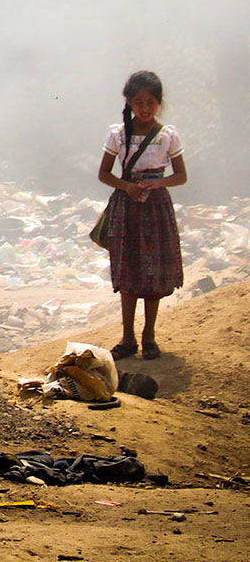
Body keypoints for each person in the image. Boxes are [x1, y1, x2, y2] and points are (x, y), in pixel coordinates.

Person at [96, 69, 187, 360]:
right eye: (139, 102)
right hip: (127, 207)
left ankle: (149, 337)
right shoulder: (118, 135)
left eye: (151, 102)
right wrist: (127, 187)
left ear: (159, 103)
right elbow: (103, 173)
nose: (145, 109)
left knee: (154, 272)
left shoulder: (166, 136)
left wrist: (156, 183)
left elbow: (181, 175)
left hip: (156, 208)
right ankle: (127, 338)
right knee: (128, 271)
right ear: (129, 102)